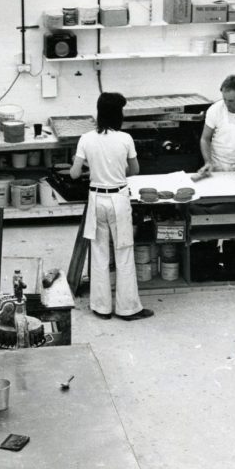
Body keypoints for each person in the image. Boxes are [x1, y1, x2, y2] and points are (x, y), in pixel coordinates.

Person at [70, 92, 153, 322]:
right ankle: (128, 309)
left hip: (96, 198)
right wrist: (115, 170)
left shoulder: (85, 138)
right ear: (118, 114)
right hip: (118, 198)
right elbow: (134, 170)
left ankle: (101, 307)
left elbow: (75, 173)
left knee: (98, 253)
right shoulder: (125, 139)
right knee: (124, 252)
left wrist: (93, 168)